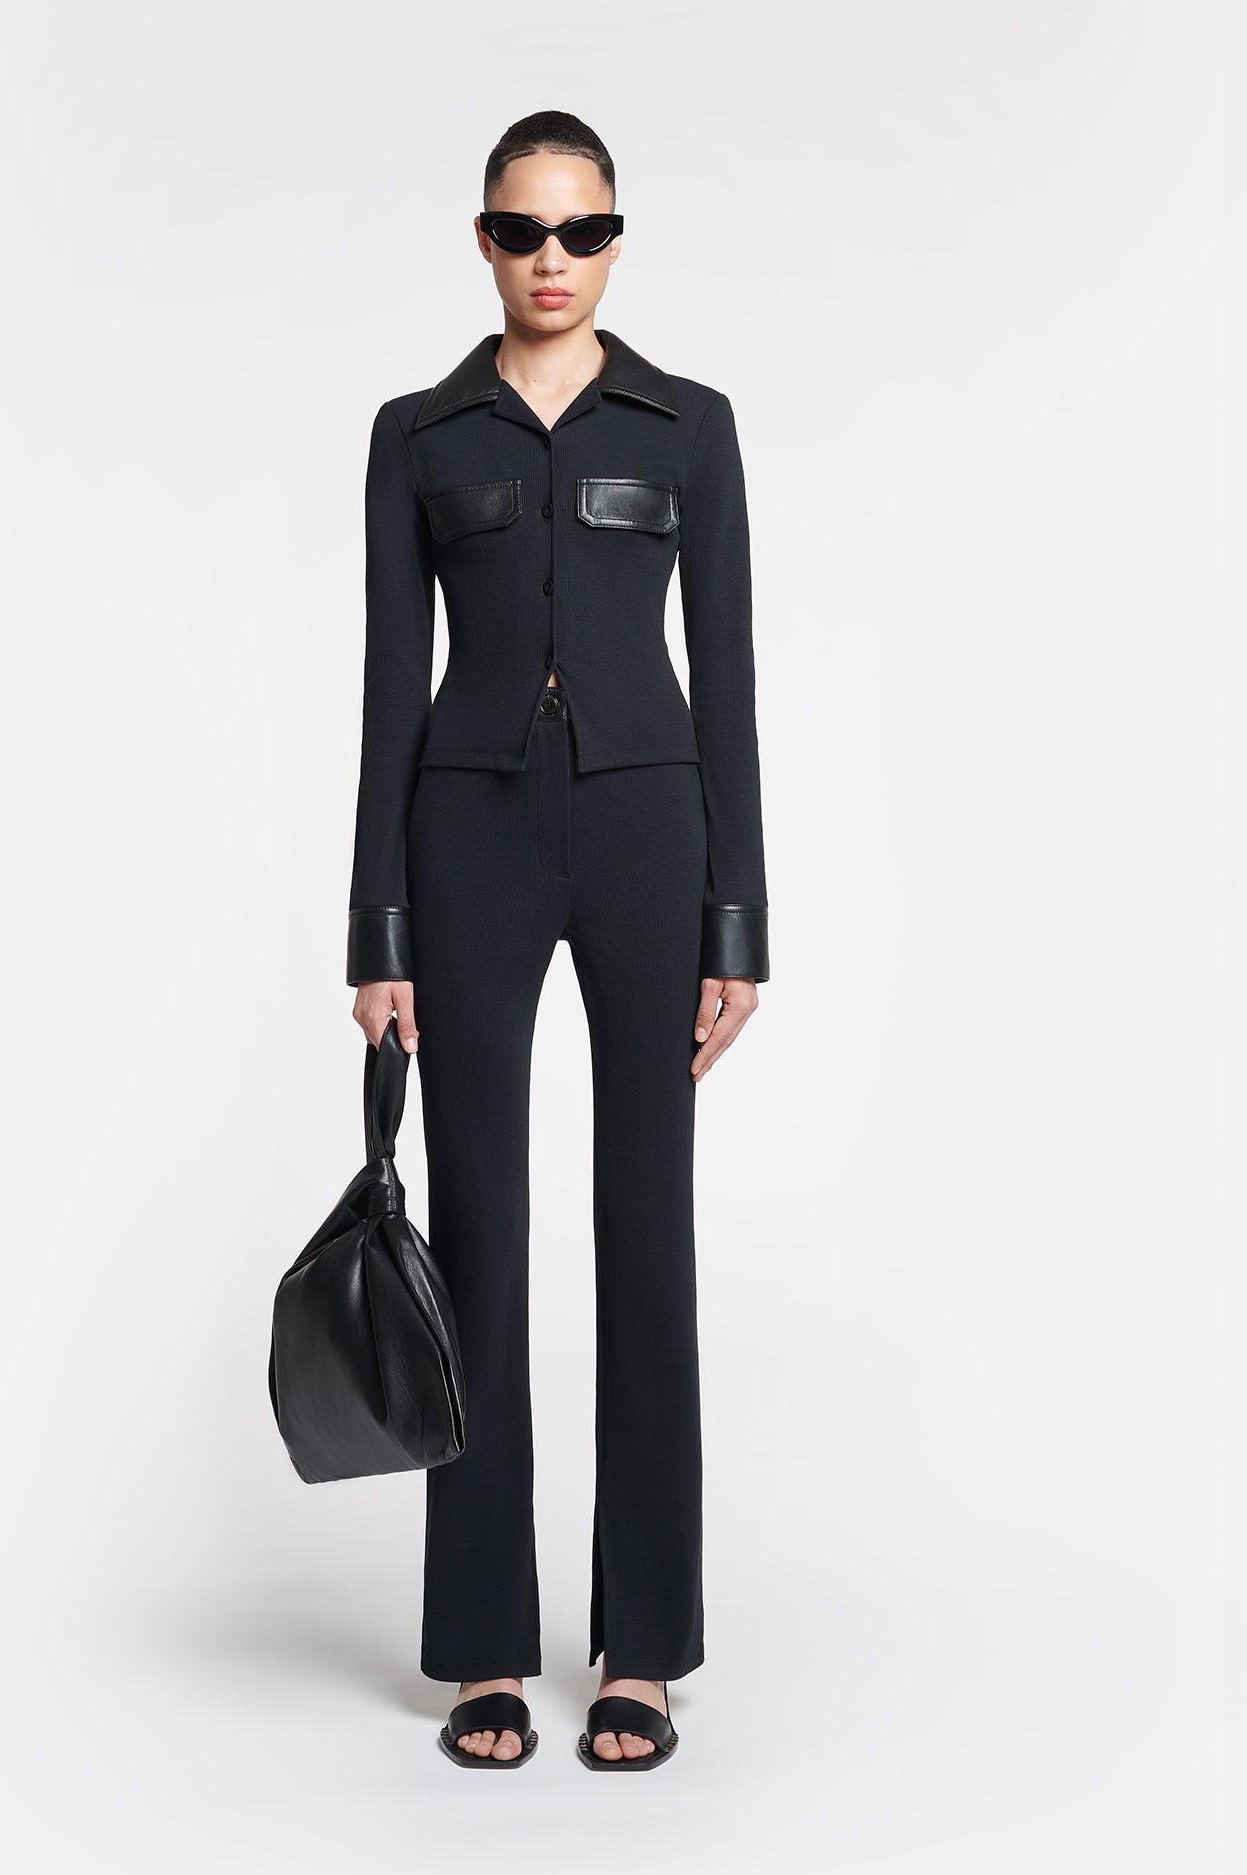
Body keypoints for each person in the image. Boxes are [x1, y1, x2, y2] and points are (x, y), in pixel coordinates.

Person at [343, 110, 770, 1772]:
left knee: (646, 1227)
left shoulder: (689, 426)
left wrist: (739, 917)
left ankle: (643, 1645)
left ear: (615, 240)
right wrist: (376, 924)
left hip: (653, 838)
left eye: (582, 231)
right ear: (484, 239)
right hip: (470, 839)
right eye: (523, 230)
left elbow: (727, 679)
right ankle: (482, 1648)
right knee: (479, 1235)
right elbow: (389, 686)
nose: (552, 259)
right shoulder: (416, 433)